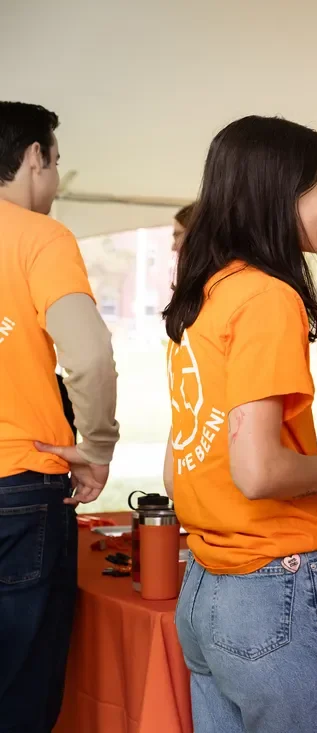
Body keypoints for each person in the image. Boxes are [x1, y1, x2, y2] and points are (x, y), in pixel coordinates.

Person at [162, 115, 317, 733]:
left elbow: (182, 466)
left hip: (205, 587)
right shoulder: (268, 297)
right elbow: (258, 469)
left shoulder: (205, 296)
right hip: (276, 588)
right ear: (277, 192)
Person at [0, 101, 119, 733]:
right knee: (20, 689)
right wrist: (97, 446)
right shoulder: (40, 237)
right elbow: (91, 354)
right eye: (55, 161)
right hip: (18, 486)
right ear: (32, 158)